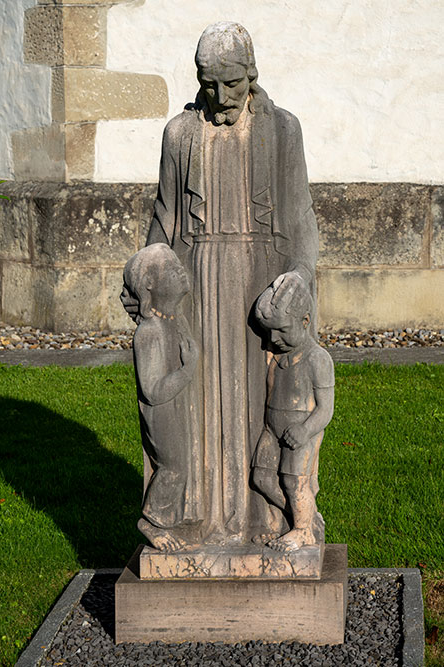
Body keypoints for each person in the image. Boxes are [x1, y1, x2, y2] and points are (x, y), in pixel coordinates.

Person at [122, 22, 319, 545]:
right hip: (197, 290)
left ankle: (266, 522)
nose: (220, 96)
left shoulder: (282, 131)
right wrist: (143, 280)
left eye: (231, 84)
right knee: (201, 410)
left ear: (251, 76)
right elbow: (164, 220)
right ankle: (199, 523)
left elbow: (301, 224)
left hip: (261, 286)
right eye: (209, 84)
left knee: (259, 409)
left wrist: (300, 278)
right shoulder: (179, 135)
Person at [122, 244, 201, 551]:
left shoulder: (171, 320)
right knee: (173, 466)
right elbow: (152, 392)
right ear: (150, 285)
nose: (181, 272)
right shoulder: (149, 332)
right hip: (162, 413)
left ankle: (170, 521)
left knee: (181, 463)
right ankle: (151, 522)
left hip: (176, 407)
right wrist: (187, 370)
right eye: (172, 270)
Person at [252, 275, 335, 552]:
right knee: (262, 478)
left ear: (305, 321)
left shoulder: (317, 359)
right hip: (272, 428)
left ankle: (303, 531)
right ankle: (304, 518)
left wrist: (305, 430)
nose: (274, 339)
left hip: (301, 431)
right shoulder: (274, 353)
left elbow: (326, 408)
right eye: (269, 332)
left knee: (293, 481)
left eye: (282, 331)